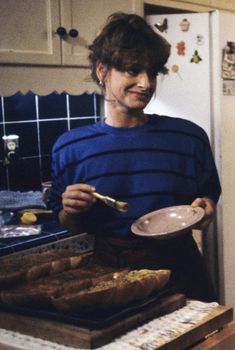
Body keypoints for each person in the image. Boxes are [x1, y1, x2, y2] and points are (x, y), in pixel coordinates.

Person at [50, 12, 221, 302]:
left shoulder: (189, 138)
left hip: (182, 270)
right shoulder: (71, 147)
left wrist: (205, 209)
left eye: (152, 72)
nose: (146, 83)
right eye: (132, 70)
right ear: (102, 71)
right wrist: (71, 209)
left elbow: (206, 202)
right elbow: (69, 222)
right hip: (109, 275)